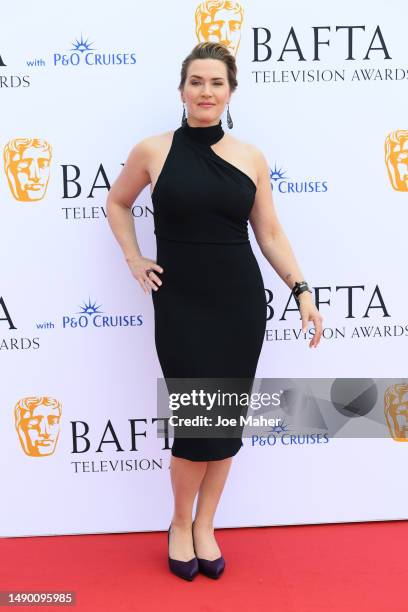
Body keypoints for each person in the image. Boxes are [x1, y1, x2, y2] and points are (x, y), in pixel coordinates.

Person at [106, 41, 323, 581]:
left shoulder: (250, 157)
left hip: (238, 304)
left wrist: (301, 290)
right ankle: (180, 524)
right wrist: (134, 258)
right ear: (182, 90)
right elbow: (117, 202)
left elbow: (268, 232)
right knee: (195, 422)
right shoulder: (153, 150)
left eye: (216, 83)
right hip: (180, 303)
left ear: (231, 92)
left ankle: (207, 525)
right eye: (197, 81)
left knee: (223, 421)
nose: (206, 92)